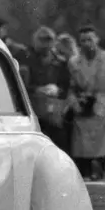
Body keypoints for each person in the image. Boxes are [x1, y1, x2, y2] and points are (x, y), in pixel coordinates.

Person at [66, 23, 105, 179]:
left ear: (97, 39)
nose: (87, 43)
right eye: (83, 40)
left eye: (90, 39)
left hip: (103, 110)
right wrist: (75, 104)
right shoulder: (73, 62)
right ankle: (86, 175)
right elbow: (70, 88)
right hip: (82, 112)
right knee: (82, 150)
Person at [25, 25, 71, 154]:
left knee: (59, 148)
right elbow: (21, 85)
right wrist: (37, 90)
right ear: (35, 41)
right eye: (42, 40)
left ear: (54, 42)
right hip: (33, 113)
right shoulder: (27, 60)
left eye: (48, 40)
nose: (45, 44)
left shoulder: (61, 62)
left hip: (55, 114)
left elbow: (67, 87)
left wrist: (58, 90)